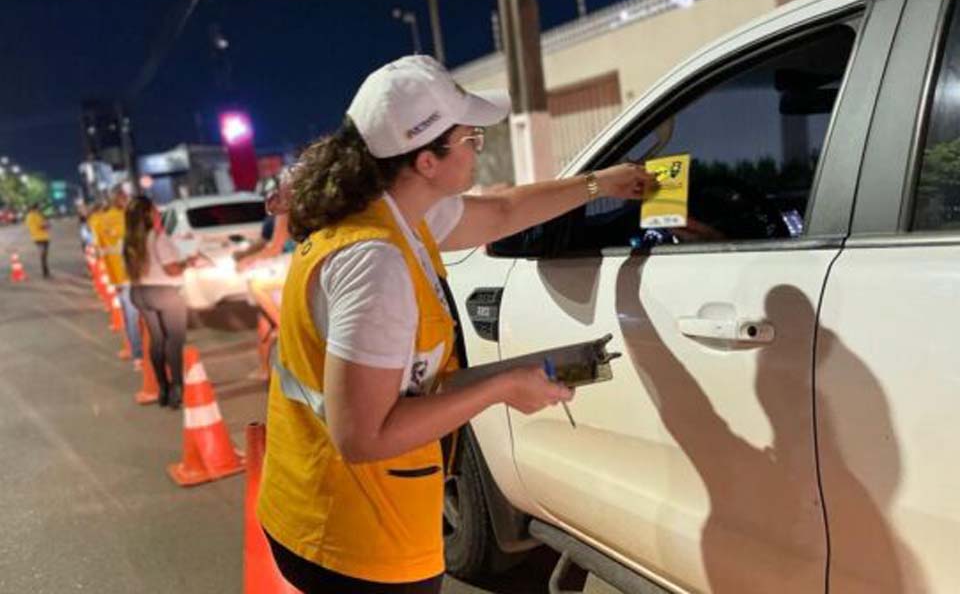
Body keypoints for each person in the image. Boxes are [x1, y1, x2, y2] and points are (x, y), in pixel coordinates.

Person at [256, 55, 656, 593]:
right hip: (355, 539)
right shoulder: (375, 264)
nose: (476, 151)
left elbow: (500, 212)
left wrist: (598, 185)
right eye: (471, 140)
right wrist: (503, 386)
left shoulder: (391, 212)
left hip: (325, 510)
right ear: (426, 161)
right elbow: (362, 435)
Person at [122, 196, 199, 408]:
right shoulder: (158, 238)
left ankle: (162, 388)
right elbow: (171, 269)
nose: (158, 214)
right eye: (155, 210)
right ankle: (177, 389)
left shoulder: (129, 241)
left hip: (140, 293)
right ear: (147, 214)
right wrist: (188, 263)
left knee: (157, 339)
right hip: (164, 292)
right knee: (174, 340)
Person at [234, 169, 297, 379]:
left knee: (257, 285)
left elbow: (275, 247)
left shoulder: (286, 212)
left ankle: (283, 328)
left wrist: (247, 260)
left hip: (291, 268)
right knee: (263, 319)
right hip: (296, 265)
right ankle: (265, 369)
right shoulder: (307, 209)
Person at [92, 186, 144, 369]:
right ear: (119, 198)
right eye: (125, 197)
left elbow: (101, 251)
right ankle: (140, 355)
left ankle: (139, 354)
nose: (127, 199)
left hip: (125, 276)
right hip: (131, 275)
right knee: (136, 316)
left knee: (133, 316)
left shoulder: (101, 221)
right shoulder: (122, 219)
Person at [24, 204, 51, 278]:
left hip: (38, 237)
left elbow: (28, 225)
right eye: (39, 208)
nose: (40, 209)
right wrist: (47, 224)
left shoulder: (29, 216)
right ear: (35, 208)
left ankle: (45, 272)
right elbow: (42, 225)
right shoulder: (35, 216)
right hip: (41, 237)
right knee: (43, 255)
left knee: (43, 255)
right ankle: (45, 272)